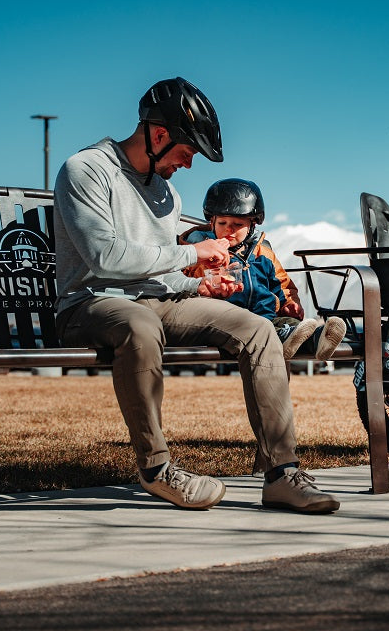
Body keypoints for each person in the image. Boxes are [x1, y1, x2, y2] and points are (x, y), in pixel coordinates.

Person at [52, 76, 339, 514]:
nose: (187, 165)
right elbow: (104, 257)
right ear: (159, 135)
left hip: (156, 302)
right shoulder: (86, 170)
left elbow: (160, 275)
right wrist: (192, 250)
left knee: (258, 329)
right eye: (186, 153)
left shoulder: (166, 191)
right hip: (90, 303)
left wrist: (198, 283)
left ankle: (282, 473)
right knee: (139, 324)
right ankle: (156, 468)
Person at [180, 178, 346, 361]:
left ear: (252, 224)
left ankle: (319, 338)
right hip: (227, 320)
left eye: (237, 224)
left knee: (290, 323)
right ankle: (288, 338)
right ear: (212, 222)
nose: (229, 230)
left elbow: (283, 284)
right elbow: (190, 279)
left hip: (267, 315)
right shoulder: (199, 250)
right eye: (222, 223)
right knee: (269, 329)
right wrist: (210, 264)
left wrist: (289, 304)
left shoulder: (263, 253)